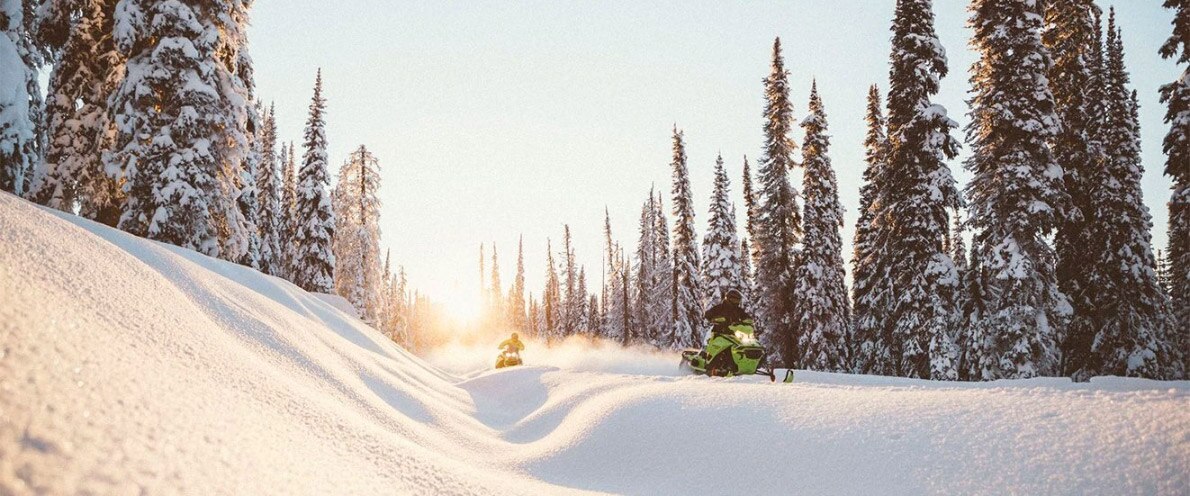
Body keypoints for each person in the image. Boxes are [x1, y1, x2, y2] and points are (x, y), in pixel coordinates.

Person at [700, 289, 752, 374]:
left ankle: (745, 365)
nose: (736, 302)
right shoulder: (720, 308)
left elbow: (746, 316)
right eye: (734, 299)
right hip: (720, 333)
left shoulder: (738, 310)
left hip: (734, 334)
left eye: (738, 300)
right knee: (724, 347)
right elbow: (708, 314)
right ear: (729, 299)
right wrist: (715, 319)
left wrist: (748, 320)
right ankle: (712, 364)